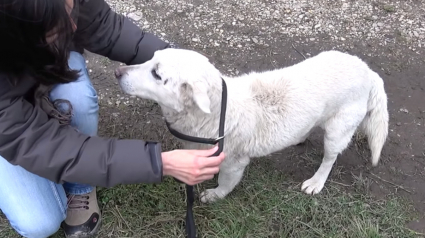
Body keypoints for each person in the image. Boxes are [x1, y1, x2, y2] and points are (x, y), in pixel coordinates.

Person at [0, 0, 225, 238]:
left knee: (79, 100)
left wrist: (177, 62)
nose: (75, 27)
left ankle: (80, 186)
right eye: (56, 28)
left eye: (71, 8)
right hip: (8, 103)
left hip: (37, 61)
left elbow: (104, 26)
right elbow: (42, 145)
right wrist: (159, 163)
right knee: (40, 223)